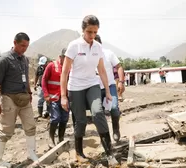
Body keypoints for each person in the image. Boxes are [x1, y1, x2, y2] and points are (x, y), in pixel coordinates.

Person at [60, 15, 118, 166]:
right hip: (76, 87)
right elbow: (65, 72)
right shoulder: (74, 46)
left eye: (95, 32)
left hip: (92, 84)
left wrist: (107, 90)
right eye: (89, 32)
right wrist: (63, 96)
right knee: (80, 121)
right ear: (83, 30)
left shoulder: (98, 47)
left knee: (98, 112)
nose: (92, 35)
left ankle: (109, 153)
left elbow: (102, 70)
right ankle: (79, 152)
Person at [0, 32, 40, 167]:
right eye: (22, 45)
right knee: (6, 131)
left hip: (24, 98)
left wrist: (29, 93)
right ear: (14, 43)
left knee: (30, 127)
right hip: (9, 98)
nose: (24, 48)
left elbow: (25, 77)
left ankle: (31, 153)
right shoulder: (4, 60)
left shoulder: (24, 59)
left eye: (26, 46)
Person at [94, 35, 125, 143]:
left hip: (110, 85)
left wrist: (121, 82)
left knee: (114, 108)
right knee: (98, 113)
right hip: (95, 88)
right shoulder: (88, 56)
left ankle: (116, 129)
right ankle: (104, 137)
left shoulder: (108, 53)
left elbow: (119, 67)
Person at [42, 48, 69, 148]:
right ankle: (51, 138)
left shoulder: (69, 68)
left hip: (65, 98)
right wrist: (46, 94)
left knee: (64, 119)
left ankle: (61, 138)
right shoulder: (52, 65)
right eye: (65, 58)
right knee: (55, 118)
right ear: (61, 57)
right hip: (53, 98)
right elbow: (44, 80)